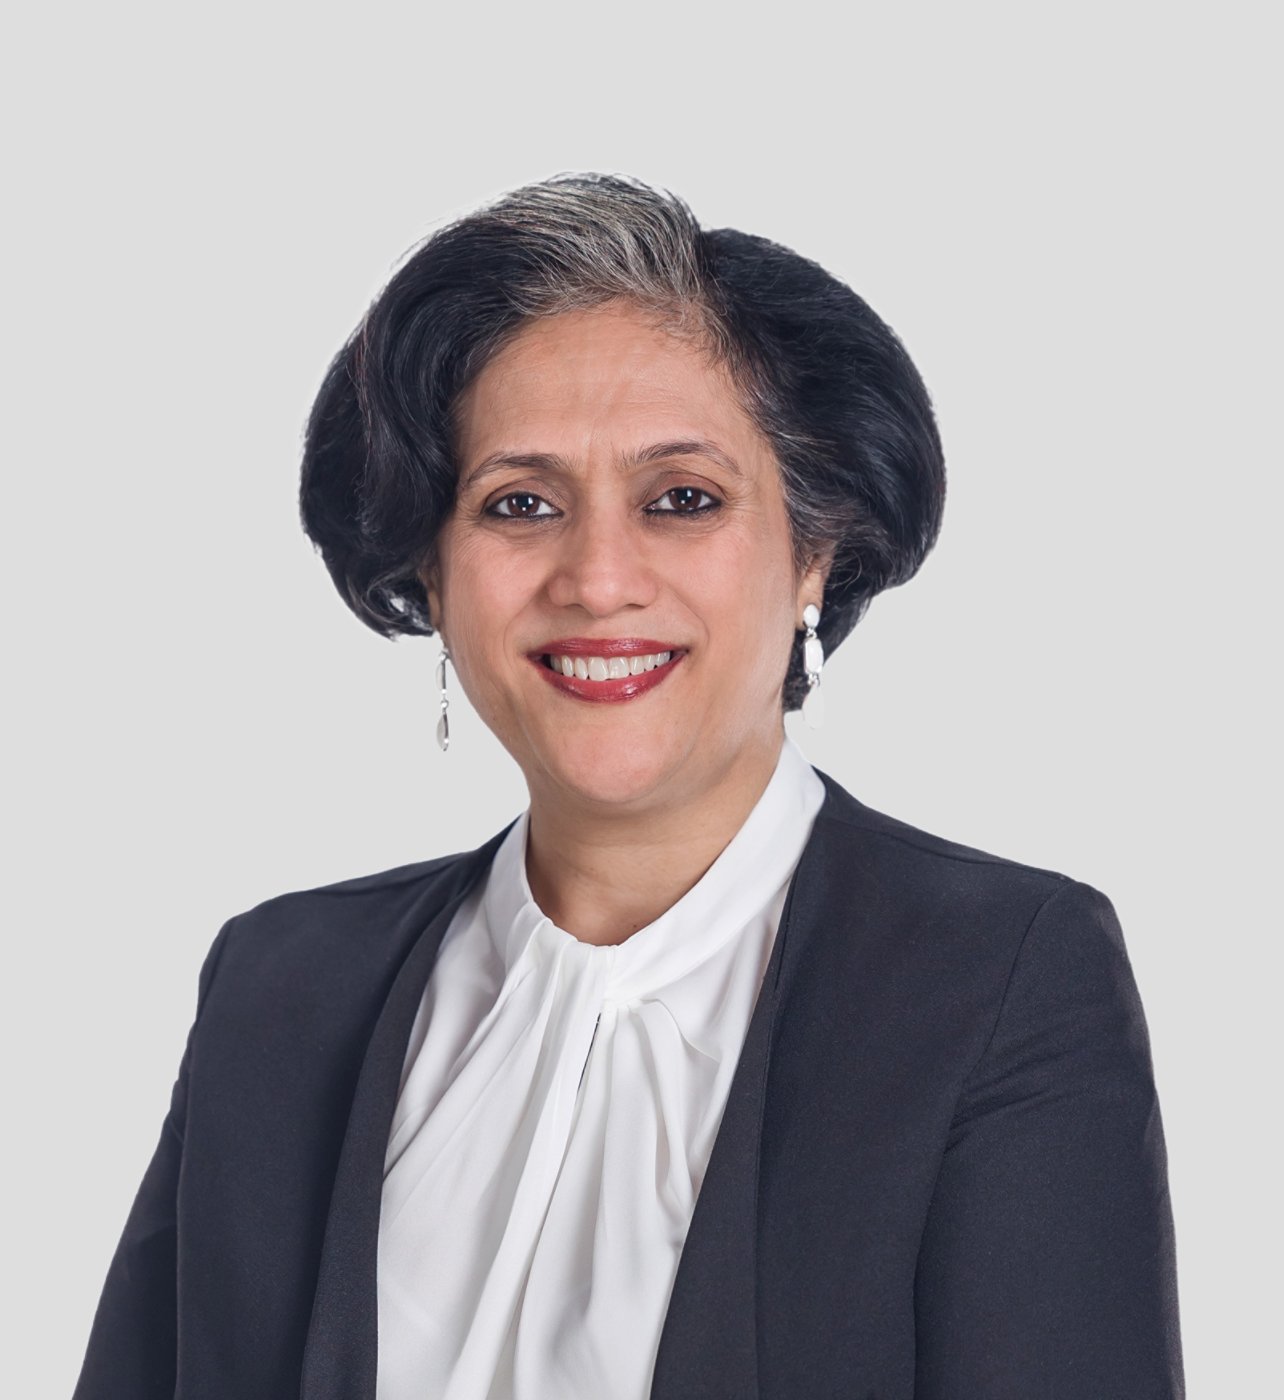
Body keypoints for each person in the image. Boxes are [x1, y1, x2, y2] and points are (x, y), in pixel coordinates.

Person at [73, 172, 1184, 1399]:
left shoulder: (997, 976)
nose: (599, 578)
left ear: (814, 554)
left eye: (682, 499)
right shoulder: (280, 983)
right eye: (520, 503)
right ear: (431, 571)